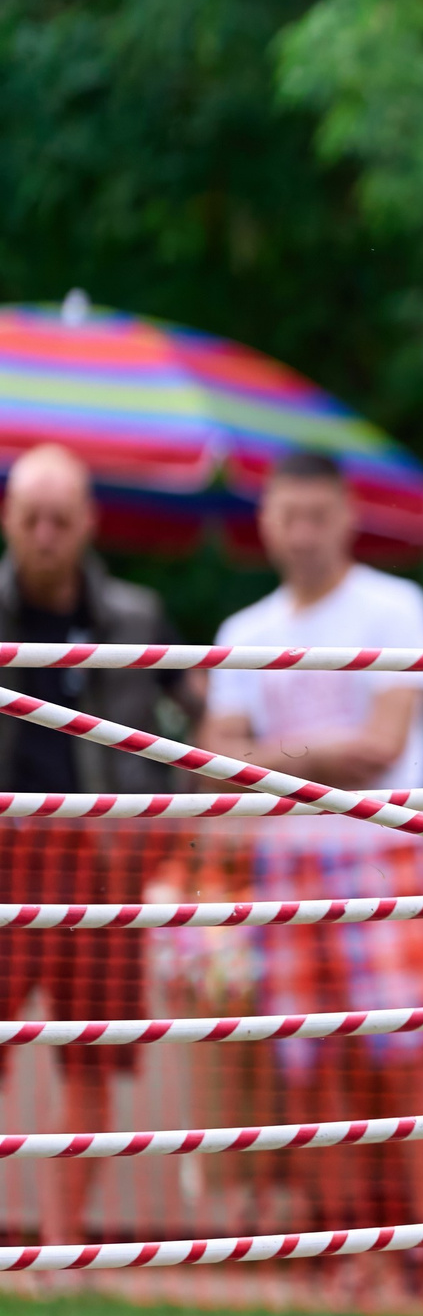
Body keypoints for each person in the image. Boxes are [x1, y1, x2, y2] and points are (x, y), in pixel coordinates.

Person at [201, 451, 423, 1290]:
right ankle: (348, 1252)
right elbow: (213, 761)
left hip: (382, 849)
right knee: (310, 1063)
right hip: (285, 858)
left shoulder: (396, 606)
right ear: (267, 523)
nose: (304, 533)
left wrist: (268, 754)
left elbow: (382, 746)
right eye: (290, 516)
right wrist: (319, 752)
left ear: (347, 517)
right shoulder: (244, 632)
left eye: (317, 515)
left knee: (409, 1054)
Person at [0, 443, 190, 1246]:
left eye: (59, 519)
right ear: (8, 519)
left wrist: (171, 829)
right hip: (7, 855)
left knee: (90, 1055)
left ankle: (60, 1247)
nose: (45, 535)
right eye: (31, 518)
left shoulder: (138, 616)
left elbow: (201, 721)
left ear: (87, 523)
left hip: (104, 859)